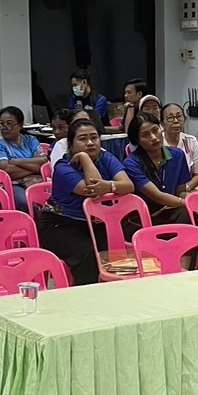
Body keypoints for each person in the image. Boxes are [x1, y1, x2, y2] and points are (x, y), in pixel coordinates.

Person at [36, 116, 134, 285]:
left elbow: (128, 185)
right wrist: (84, 157)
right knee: (87, 254)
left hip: (94, 223)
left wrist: (109, 186)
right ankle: (86, 296)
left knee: (115, 254)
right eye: (82, 139)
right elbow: (93, 189)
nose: (90, 143)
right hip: (60, 224)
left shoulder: (106, 157)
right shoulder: (63, 168)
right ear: (71, 145)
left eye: (94, 137)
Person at [122, 112, 195, 224]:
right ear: (137, 141)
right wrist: (186, 202)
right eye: (145, 135)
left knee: (192, 213)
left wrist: (193, 200)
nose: (154, 137)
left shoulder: (178, 155)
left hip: (170, 209)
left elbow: (180, 191)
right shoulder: (131, 163)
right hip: (144, 216)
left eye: (155, 130)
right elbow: (157, 196)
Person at [0, 105, 47, 211]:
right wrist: (35, 168)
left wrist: (16, 161)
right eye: (1, 124)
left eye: (9, 123)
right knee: (27, 203)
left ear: (20, 125)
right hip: (12, 184)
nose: (4, 127)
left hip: (37, 180)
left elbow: (43, 162)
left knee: (54, 199)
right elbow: (6, 170)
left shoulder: (30, 140)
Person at [162, 102, 198, 177]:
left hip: (188, 183)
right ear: (162, 123)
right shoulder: (158, 142)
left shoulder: (191, 141)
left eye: (179, 116)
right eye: (170, 118)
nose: (176, 121)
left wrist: (188, 185)